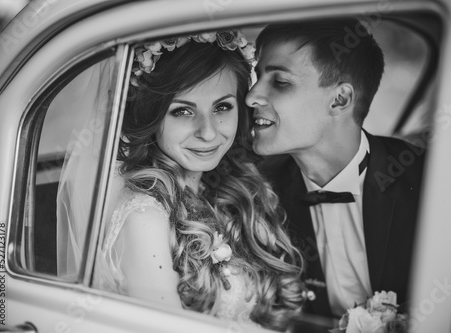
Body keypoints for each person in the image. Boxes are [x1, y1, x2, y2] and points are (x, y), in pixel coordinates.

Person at [92, 30, 304, 331]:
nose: (207, 132)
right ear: (151, 114)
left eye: (221, 107)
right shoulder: (144, 216)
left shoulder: (229, 187)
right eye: (182, 111)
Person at [246, 19, 426, 319]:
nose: (252, 96)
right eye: (257, 77)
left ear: (340, 100)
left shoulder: (429, 180)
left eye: (280, 82)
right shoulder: (256, 190)